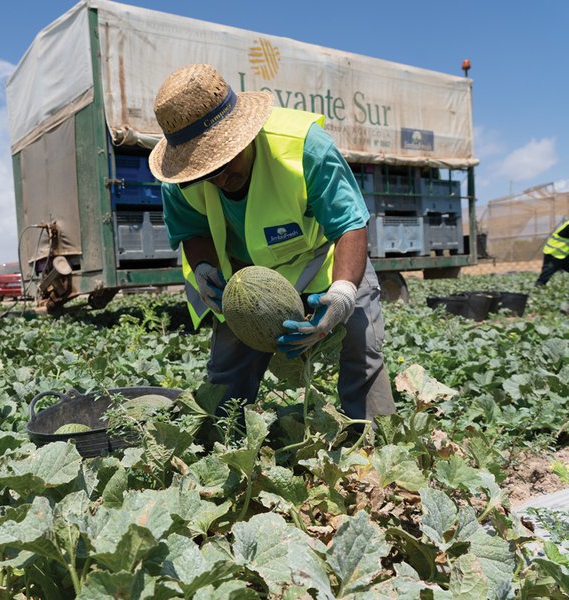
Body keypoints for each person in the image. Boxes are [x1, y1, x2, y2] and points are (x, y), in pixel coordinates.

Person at [148, 63, 395, 424]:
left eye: (224, 161)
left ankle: (379, 443)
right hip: (245, 280)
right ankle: (222, 446)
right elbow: (192, 231)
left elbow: (350, 225)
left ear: (245, 134)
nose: (218, 177)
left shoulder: (304, 146)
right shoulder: (178, 179)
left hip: (323, 263)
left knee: (361, 351)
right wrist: (203, 270)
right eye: (206, 170)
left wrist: (342, 294)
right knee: (226, 377)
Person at [535, 218, 569, 287]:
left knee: (545, 275)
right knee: (545, 276)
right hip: (554, 253)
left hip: (564, 254)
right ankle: (537, 291)